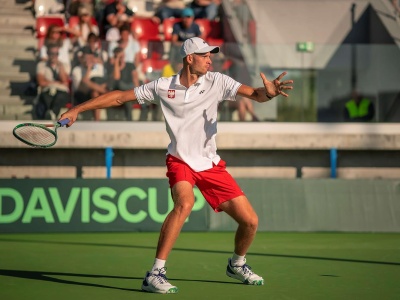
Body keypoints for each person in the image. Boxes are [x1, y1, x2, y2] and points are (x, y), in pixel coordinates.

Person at [60, 37, 293, 293]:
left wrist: (269, 93)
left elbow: (256, 95)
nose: (210, 59)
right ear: (189, 58)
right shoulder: (163, 86)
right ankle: (155, 273)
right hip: (180, 160)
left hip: (210, 164)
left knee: (250, 222)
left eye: (211, 55)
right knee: (184, 203)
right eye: (205, 55)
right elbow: (119, 98)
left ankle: (237, 264)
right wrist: (77, 110)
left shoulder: (218, 81)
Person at [71, 46, 108, 120]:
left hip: (98, 94)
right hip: (82, 96)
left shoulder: (100, 67)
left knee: (95, 92)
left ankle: (97, 120)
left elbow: (105, 83)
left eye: (90, 58)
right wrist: (88, 69)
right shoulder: (76, 70)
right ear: (82, 59)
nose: (89, 60)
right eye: (86, 58)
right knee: (93, 90)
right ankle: (97, 121)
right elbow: (80, 88)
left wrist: (92, 85)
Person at [35, 44, 70, 120]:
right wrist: (57, 83)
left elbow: (64, 80)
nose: (54, 56)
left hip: (61, 91)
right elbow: (41, 82)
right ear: (47, 53)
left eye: (56, 54)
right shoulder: (41, 65)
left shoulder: (64, 65)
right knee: (47, 96)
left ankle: (52, 113)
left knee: (60, 96)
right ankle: (51, 114)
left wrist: (60, 66)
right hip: (47, 90)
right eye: (52, 53)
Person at [107, 46, 139, 120]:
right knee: (124, 95)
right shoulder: (113, 67)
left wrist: (137, 92)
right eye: (118, 56)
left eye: (122, 56)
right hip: (120, 91)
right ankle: (129, 121)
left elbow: (135, 79)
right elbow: (116, 77)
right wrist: (117, 61)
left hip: (130, 88)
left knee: (128, 96)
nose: (121, 58)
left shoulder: (130, 65)